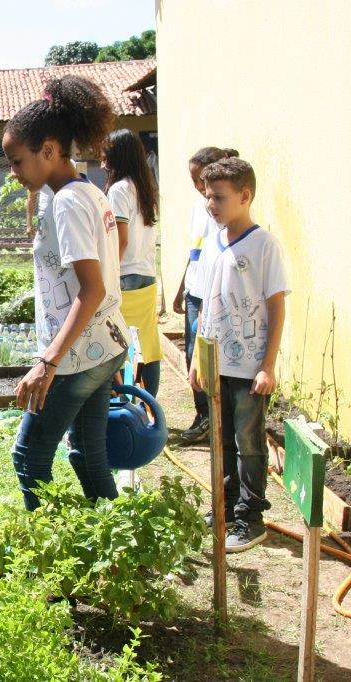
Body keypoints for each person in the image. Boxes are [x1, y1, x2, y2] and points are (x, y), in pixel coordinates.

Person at [2, 76, 130, 511]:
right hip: (101, 347)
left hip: (75, 357)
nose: (13, 172)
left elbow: (92, 289)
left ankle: (49, 547)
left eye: (17, 161)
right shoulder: (87, 191)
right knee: (88, 455)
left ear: (49, 150)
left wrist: (47, 362)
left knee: (29, 457)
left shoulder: (68, 202)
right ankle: (114, 538)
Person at [191, 157, 288, 553]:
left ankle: (251, 518)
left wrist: (268, 365)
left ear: (245, 196)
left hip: (249, 368)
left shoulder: (264, 245)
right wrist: (197, 359)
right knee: (223, 440)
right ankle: (227, 507)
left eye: (219, 197)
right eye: (207, 196)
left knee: (248, 442)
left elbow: (277, 307)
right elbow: (206, 306)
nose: (210, 204)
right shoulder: (213, 242)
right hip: (215, 364)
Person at [173, 147, 238, 444]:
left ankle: (216, 418)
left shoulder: (222, 210)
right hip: (194, 291)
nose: (197, 186)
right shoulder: (198, 208)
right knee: (192, 356)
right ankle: (204, 416)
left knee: (208, 357)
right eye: (192, 180)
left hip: (212, 295)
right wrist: (180, 289)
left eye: (200, 179)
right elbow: (195, 251)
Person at [103, 129, 162, 396]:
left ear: (117, 156)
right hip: (147, 275)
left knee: (120, 343)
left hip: (125, 276)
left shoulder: (119, 190)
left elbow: (122, 239)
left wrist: (109, 274)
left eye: (105, 155)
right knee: (148, 344)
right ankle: (150, 402)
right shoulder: (146, 187)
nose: (102, 162)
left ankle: (128, 400)